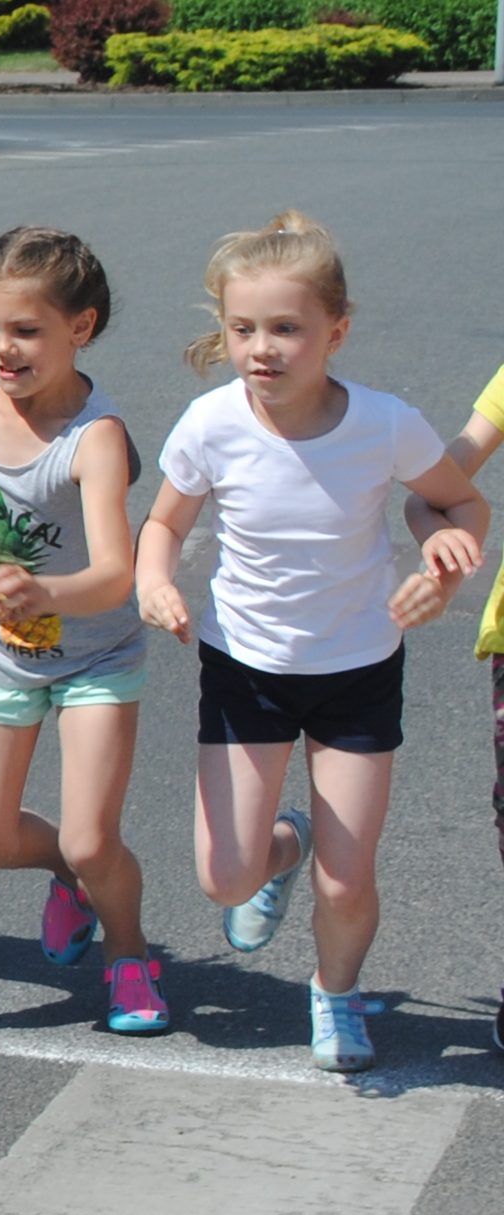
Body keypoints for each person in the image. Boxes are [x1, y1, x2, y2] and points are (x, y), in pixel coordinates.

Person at [133, 212, 485, 1074]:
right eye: (243, 328)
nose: (263, 348)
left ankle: (336, 995)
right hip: (245, 668)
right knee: (225, 877)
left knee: (349, 876)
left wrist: (447, 563)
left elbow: (461, 504)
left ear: (337, 330)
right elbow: (162, 523)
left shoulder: (386, 423)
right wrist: (154, 581)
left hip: (359, 668)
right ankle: (282, 845)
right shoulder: (211, 424)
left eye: (286, 328)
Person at [0, 227, 163, 1035]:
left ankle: (129, 955)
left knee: (93, 838)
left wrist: (46, 588)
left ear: (80, 328)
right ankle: (65, 875)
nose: (1, 349)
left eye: (26, 331)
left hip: (94, 654)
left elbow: (117, 573)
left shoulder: (96, 440)